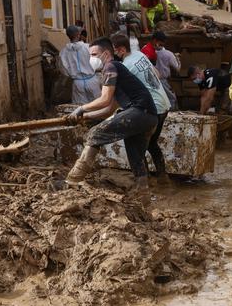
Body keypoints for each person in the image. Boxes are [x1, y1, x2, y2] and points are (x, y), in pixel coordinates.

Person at [61, 37, 160, 190]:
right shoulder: (118, 69)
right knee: (135, 157)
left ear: (106, 53)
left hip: (139, 112)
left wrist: (81, 109)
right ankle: (143, 194)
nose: (91, 59)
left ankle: (73, 180)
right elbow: (110, 109)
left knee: (95, 134)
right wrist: (85, 117)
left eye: (94, 55)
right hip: (149, 117)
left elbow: (105, 100)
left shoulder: (110, 67)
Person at [114, 33, 172, 184]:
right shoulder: (140, 54)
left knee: (136, 147)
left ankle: (144, 184)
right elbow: (157, 74)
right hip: (164, 104)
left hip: (152, 109)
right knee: (151, 144)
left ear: (120, 50)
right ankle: (162, 177)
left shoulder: (125, 67)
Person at [59, 25, 100, 105]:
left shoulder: (63, 52)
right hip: (92, 81)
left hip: (77, 83)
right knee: (97, 105)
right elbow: (98, 62)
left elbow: (64, 70)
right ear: (78, 35)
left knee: (80, 109)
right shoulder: (89, 47)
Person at [152, 32, 181, 107]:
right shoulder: (168, 54)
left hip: (151, 81)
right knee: (171, 99)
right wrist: (178, 59)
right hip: (163, 81)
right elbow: (177, 69)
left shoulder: (146, 50)